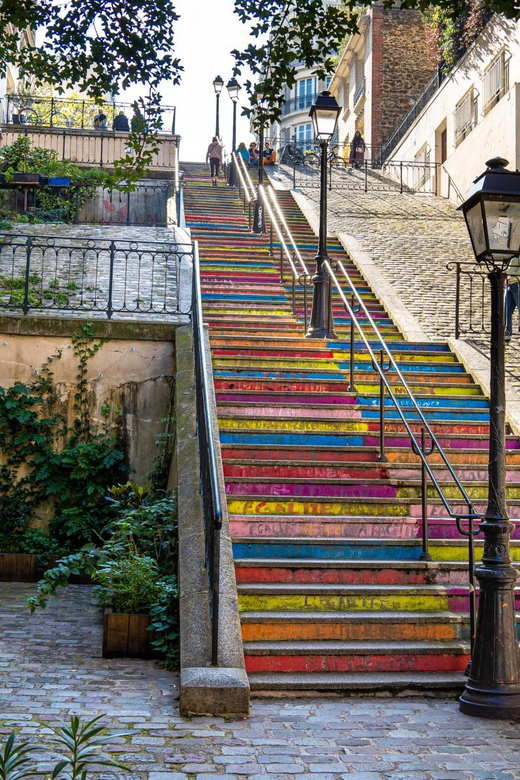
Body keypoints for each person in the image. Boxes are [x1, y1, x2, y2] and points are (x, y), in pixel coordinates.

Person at [505, 255, 520, 342]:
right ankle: (508, 331)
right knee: (507, 310)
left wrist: (513, 277)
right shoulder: (512, 254)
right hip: (509, 284)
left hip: (517, 284)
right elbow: (509, 268)